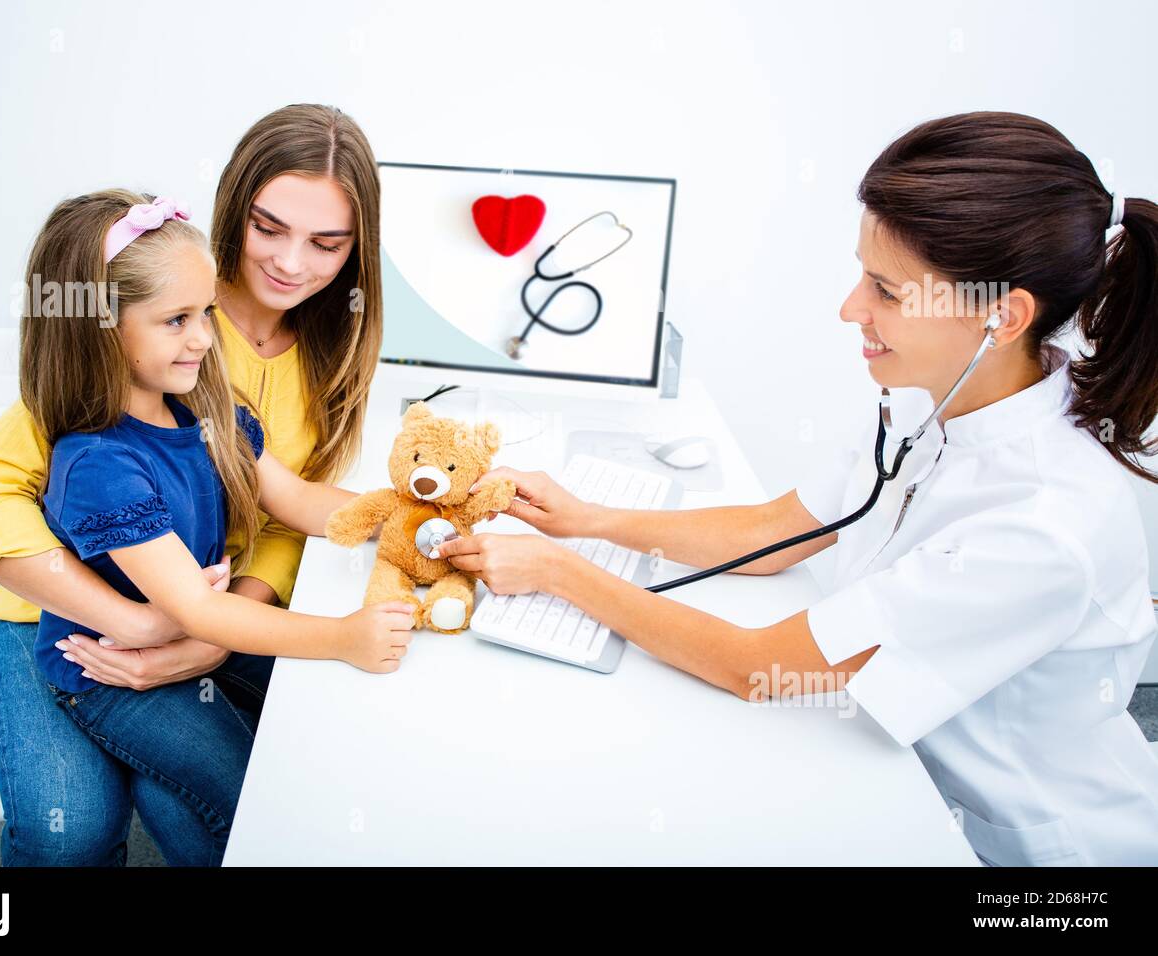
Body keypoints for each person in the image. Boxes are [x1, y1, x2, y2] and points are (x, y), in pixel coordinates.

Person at [435, 111, 1158, 866]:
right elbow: (783, 528)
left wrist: (559, 573)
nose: (852, 309)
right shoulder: (939, 393)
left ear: (1002, 317)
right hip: (894, 774)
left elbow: (759, 670)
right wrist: (590, 518)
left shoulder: (1045, 523)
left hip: (1031, 854)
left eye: (886, 290)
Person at [0, 104, 388, 865]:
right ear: (233, 211)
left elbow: (285, 510)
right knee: (68, 826)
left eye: (327, 243)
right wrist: (142, 623)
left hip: (200, 605)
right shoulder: (144, 333)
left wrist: (208, 631)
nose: (291, 263)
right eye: (268, 228)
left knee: (205, 797)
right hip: (68, 613)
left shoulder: (302, 354)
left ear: (358, 248)